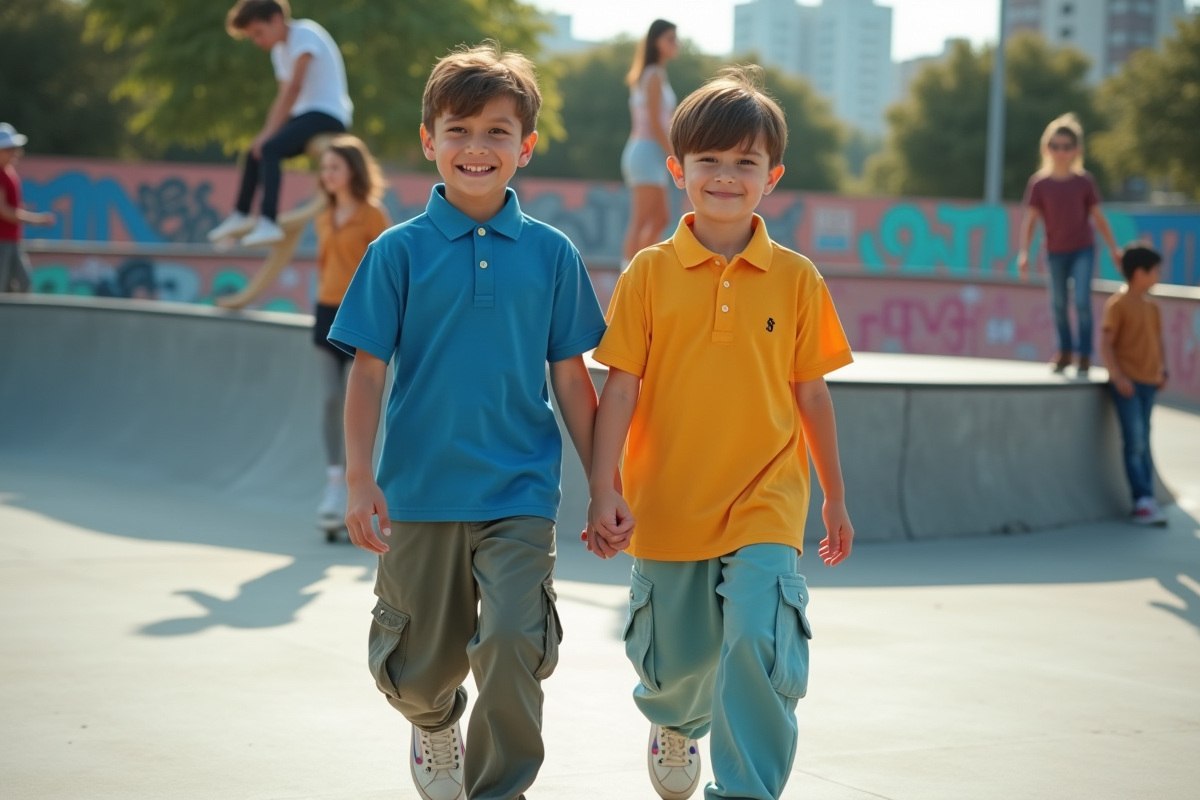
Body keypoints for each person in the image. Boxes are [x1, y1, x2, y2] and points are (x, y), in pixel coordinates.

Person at [327, 43, 607, 800]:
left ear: (526, 147)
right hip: (418, 491)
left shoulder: (552, 255)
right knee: (418, 672)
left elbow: (574, 381)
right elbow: (368, 371)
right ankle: (434, 721)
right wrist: (360, 479)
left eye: (496, 132)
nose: (477, 148)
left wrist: (606, 483)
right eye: (458, 130)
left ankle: (499, 788)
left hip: (519, 490)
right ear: (429, 141)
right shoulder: (397, 253)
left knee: (516, 642)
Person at [588, 67, 856, 800]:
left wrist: (833, 497)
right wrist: (601, 486)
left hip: (767, 496)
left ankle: (747, 791)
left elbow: (812, 393)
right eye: (709, 161)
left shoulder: (798, 280)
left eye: (746, 163)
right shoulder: (647, 273)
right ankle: (676, 723)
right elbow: (619, 387)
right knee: (677, 668)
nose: (727, 177)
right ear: (677, 171)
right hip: (668, 500)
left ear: (774, 176)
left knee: (759, 643)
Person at [208, 0, 352, 248]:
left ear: (276, 20)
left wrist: (268, 137)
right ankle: (240, 213)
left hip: (328, 113)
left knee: (269, 148)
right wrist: (264, 135)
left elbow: (293, 89)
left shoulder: (304, 34)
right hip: (305, 115)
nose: (257, 41)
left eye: (259, 33)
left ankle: (268, 219)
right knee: (255, 151)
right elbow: (282, 97)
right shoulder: (279, 52)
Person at [311, 135, 391, 533]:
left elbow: (389, 267)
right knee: (329, 397)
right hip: (326, 311)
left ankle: (358, 481)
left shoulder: (373, 214)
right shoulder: (323, 216)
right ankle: (332, 483)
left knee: (357, 401)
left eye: (334, 168)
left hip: (362, 314)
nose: (327, 175)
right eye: (323, 168)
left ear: (352, 171)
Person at [1017, 113, 1122, 377]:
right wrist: (1024, 253)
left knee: (1082, 300)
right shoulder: (1039, 183)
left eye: (1066, 147)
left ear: (1075, 150)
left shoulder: (1084, 182)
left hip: (1082, 248)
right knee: (1058, 303)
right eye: (1055, 146)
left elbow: (1098, 217)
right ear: (1046, 148)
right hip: (1054, 251)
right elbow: (1030, 222)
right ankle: (1064, 351)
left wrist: (1113, 248)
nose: (1060, 152)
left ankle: (1084, 353)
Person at [1099, 245, 1169, 527]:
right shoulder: (1117, 305)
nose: (1158, 276)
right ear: (1140, 273)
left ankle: (1149, 497)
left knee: (1145, 439)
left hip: (1150, 383)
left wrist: (1163, 370)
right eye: (1155, 271)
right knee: (1135, 440)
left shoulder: (1153, 306)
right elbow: (1106, 344)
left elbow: (1158, 342)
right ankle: (1141, 500)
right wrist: (1118, 377)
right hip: (1127, 383)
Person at [621, 19, 680, 267]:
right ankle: (627, 280)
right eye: (670, 39)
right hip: (646, 152)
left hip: (651, 154)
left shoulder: (655, 73)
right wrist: (676, 157)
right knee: (642, 220)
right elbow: (656, 125)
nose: (676, 44)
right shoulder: (653, 74)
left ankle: (643, 270)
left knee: (661, 218)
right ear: (656, 42)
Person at [0, 124, 56, 293]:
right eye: (9, 149)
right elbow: (3, 210)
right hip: (2, 240)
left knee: (22, 283)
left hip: (11, 239)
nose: (15, 153)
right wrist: (38, 219)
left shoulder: (9, 173)